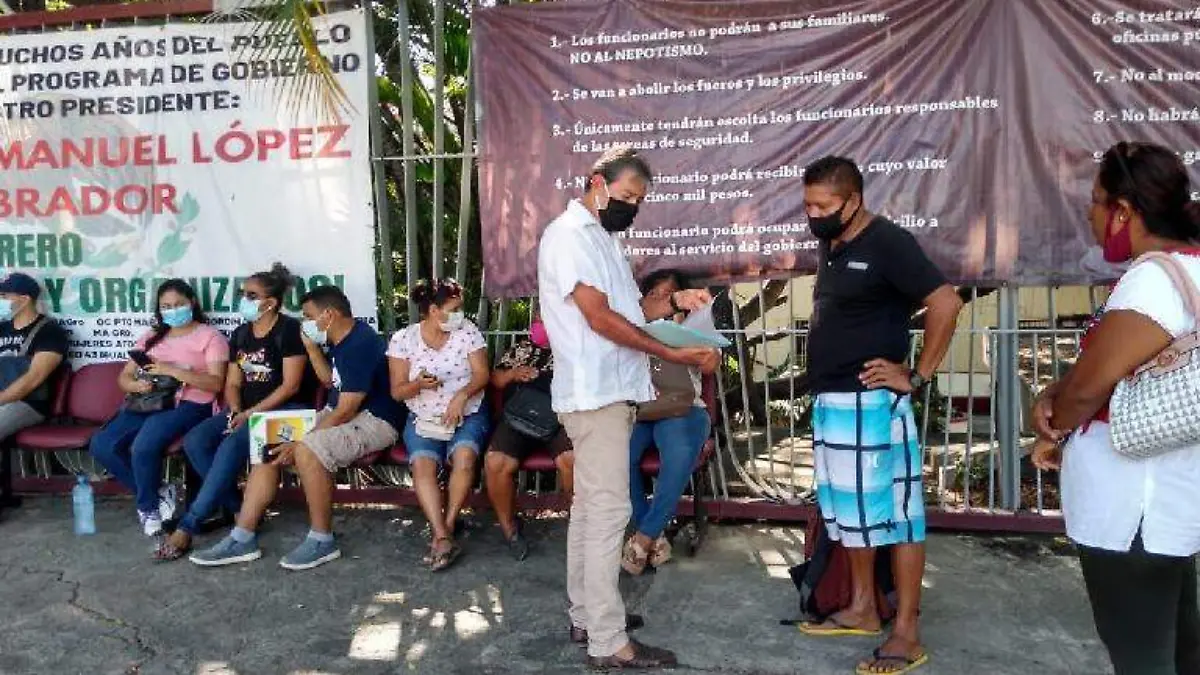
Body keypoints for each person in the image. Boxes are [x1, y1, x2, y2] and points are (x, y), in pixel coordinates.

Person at [537, 146, 718, 669]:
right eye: (626, 195)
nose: (632, 206)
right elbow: (597, 317)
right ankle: (608, 641)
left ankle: (586, 616)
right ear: (597, 182)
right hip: (595, 394)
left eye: (639, 200)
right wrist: (670, 352)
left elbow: (630, 310)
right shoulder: (570, 237)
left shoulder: (604, 240)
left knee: (592, 510)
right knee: (609, 513)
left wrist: (674, 305)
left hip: (610, 391)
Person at [1031, 141, 1200, 675]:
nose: (1090, 212)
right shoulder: (1190, 267)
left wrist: (1050, 420)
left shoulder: (1152, 280)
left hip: (1133, 512)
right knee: (1178, 646)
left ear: (1124, 211)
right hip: (1169, 500)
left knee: (1141, 656)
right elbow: (1115, 367)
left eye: (1099, 200)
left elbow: (1086, 391)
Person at [795, 156, 962, 675]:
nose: (813, 215)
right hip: (834, 402)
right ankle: (864, 607)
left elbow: (946, 302)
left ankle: (906, 632)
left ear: (854, 201)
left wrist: (916, 375)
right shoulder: (833, 242)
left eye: (823, 206)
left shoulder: (888, 241)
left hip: (871, 405)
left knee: (897, 515)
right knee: (852, 516)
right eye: (807, 205)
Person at [189, 285, 402, 570]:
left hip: (375, 421)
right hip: (340, 413)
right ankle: (242, 536)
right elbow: (330, 383)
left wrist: (302, 440)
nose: (305, 322)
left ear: (328, 315)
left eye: (308, 316)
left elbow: (347, 409)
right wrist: (313, 348)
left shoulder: (361, 343)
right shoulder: (340, 338)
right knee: (269, 439)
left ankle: (322, 539)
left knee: (308, 450)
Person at [156, 264, 312, 561]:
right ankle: (241, 508)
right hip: (245, 411)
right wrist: (237, 408)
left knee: (230, 445)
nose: (245, 300)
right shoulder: (241, 334)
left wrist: (251, 413)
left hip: (287, 414)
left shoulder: (289, 330)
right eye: (243, 294)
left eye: (252, 295)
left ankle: (188, 526)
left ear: (271, 303)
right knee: (195, 441)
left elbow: (291, 387)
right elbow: (233, 381)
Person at [90, 279, 228, 537]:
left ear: (192, 303)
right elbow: (124, 377)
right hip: (148, 401)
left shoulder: (210, 336)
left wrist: (172, 370)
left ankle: (148, 507)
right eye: (166, 306)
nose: (173, 310)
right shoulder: (152, 337)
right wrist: (135, 385)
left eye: (179, 304)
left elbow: (215, 383)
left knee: (144, 445)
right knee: (101, 444)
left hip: (190, 403)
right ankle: (161, 491)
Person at [388, 278, 490, 572]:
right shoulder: (403, 340)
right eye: (453, 309)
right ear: (433, 310)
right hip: (424, 417)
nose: (460, 314)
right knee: (422, 465)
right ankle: (443, 534)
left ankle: (443, 530)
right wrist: (417, 385)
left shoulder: (467, 331)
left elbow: (482, 374)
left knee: (465, 458)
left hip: (468, 412)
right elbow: (397, 391)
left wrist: (461, 395)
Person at [622, 269, 715, 576]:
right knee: (621, 457)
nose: (663, 302)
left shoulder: (693, 326)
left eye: (670, 296)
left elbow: (712, 362)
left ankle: (643, 537)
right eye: (656, 296)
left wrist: (690, 350)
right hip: (644, 409)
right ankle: (656, 534)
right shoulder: (631, 326)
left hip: (684, 409)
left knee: (677, 455)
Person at [483, 312, 575, 561]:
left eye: (547, 320)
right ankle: (510, 529)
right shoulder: (520, 349)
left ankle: (578, 524)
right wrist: (514, 374)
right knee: (496, 462)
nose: (541, 326)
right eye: (538, 320)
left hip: (559, 415)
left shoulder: (575, 346)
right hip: (519, 416)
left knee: (572, 460)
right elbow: (496, 380)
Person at [0, 273, 68, 444]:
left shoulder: (50, 331)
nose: (1, 300)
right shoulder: (2, 327)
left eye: (4, 296)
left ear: (24, 299)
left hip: (27, 403)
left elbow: (34, 377)